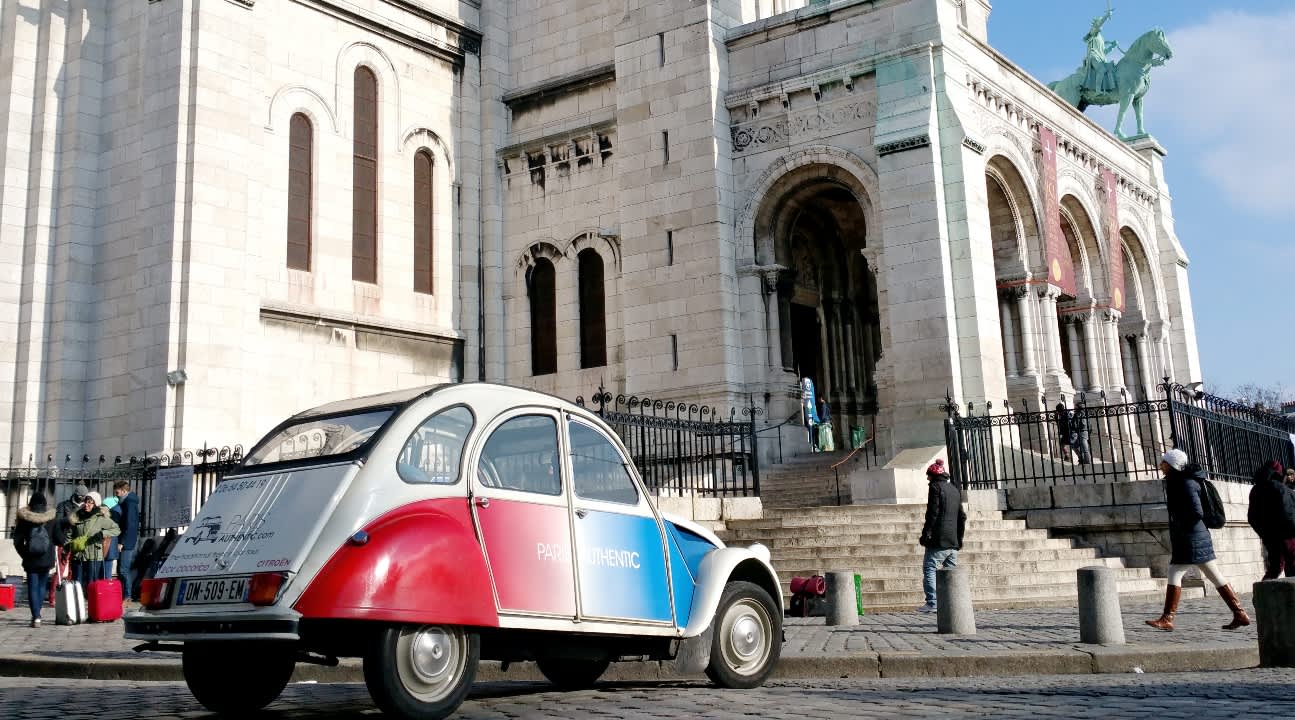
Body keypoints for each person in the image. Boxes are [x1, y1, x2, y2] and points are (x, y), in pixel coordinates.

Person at [1146, 448, 1251, 631]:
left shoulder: (1184, 483)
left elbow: (1196, 511)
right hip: (1196, 536)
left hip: (1191, 537)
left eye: (1164, 462)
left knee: (1175, 572)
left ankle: (1167, 618)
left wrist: (1180, 524)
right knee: (1214, 574)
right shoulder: (1180, 481)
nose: (1160, 465)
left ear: (1172, 465)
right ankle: (1240, 613)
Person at [917, 459, 966, 613]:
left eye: (928, 476)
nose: (927, 479)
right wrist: (959, 538)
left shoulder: (935, 487)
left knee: (929, 568)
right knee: (950, 571)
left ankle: (932, 602)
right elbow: (962, 516)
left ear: (933, 476)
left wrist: (926, 534)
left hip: (939, 538)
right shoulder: (954, 489)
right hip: (953, 540)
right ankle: (952, 602)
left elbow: (932, 514)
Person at [12, 493, 57, 628]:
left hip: (31, 559)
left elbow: (17, 541)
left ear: (30, 504)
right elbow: (58, 538)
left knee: (32, 586)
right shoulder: (52, 519)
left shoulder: (25, 519)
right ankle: (38, 614)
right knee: (42, 586)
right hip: (46, 558)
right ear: (45, 504)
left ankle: (36, 616)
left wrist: (24, 554)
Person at [1246, 460, 1295, 580]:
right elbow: (1289, 513)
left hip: (1269, 537)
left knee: (1275, 567)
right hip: (1287, 535)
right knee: (1292, 563)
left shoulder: (1255, 490)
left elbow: (1252, 517)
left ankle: (1264, 591)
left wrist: (1264, 533)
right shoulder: (1280, 488)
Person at [66, 491, 121, 589]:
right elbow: (69, 534)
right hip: (78, 556)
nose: (86, 504)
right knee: (77, 584)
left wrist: (103, 534)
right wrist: (67, 547)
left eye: (90, 502)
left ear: (96, 504)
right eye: (85, 501)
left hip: (94, 556)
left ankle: (91, 599)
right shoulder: (77, 516)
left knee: (91, 585)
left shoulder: (101, 518)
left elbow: (116, 529)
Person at [1080, 6, 1121, 95]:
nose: (1101, 25)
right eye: (1099, 22)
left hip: (1100, 58)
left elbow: (1104, 52)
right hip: (1093, 56)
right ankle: (1098, 90)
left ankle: (1107, 88)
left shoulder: (1101, 38)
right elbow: (1099, 25)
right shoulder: (1093, 32)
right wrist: (1106, 16)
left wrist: (1112, 46)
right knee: (1101, 70)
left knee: (1109, 69)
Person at [113, 479, 141, 603]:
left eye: (117, 493)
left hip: (127, 541)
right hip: (128, 539)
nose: (116, 495)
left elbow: (129, 524)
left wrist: (122, 542)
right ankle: (125, 594)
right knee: (123, 569)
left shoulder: (128, 503)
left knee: (123, 569)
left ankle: (127, 595)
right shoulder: (129, 502)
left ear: (124, 491)